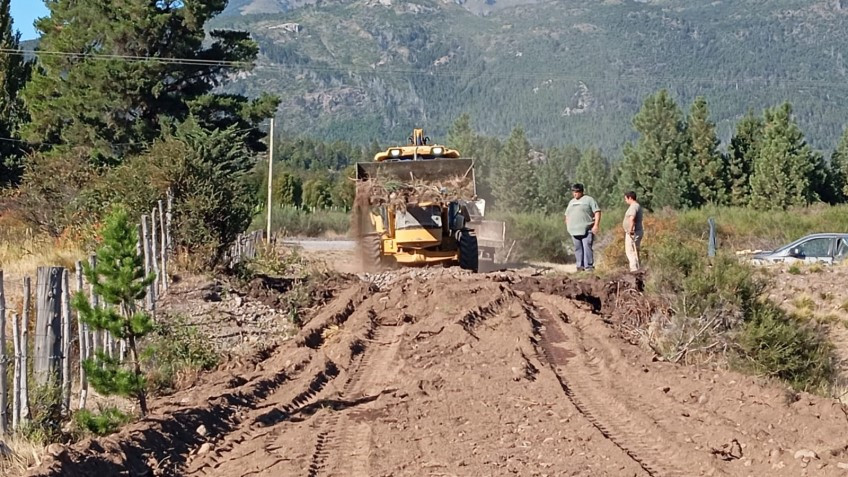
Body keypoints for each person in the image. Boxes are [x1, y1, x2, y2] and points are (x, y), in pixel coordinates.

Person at [564, 183, 601, 271]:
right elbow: (567, 215)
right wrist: (568, 225)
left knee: (587, 247)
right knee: (578, 249)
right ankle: (580, 267)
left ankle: (589, 267)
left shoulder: (589, 200)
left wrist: (596, 225)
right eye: (573, 192)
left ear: (581, 191)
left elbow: (597, 212)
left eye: (577, 192)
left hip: (587, 229)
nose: (575, 194)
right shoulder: (571, 202)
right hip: (574, 231)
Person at [622, 191, 643, 272]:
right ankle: (637, 268)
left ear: (630, 198)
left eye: (626, 199)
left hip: (633, 233)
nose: (625, 200)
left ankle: (634, 269)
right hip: (637, 231)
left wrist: (631, 230)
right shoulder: (636, 206)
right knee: (635, 251)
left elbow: (632, 218)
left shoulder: (634, 207)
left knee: (630, 251)